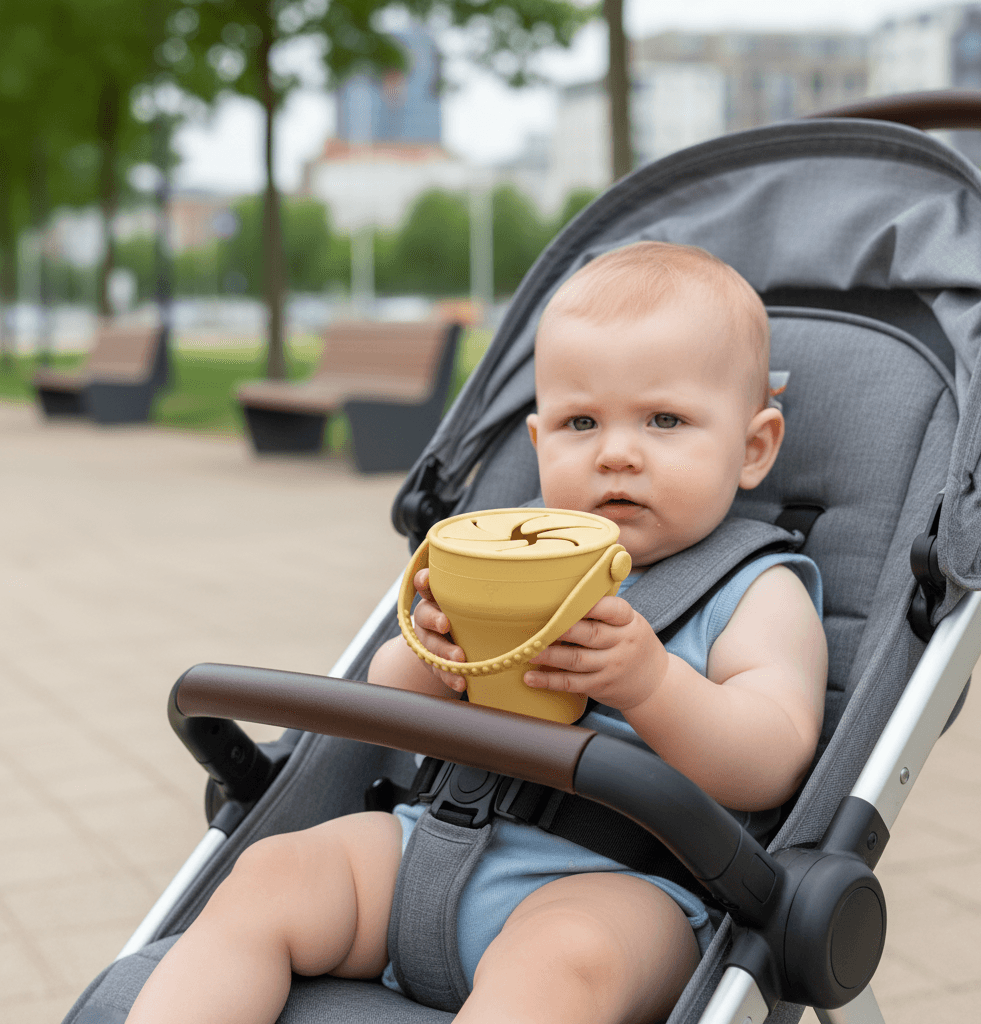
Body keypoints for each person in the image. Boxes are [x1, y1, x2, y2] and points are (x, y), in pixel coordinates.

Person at [125, 242, 828, 1024]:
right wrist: (433, 655)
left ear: (755, 446)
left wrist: (652, 684)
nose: (617, 452)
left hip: (620, 887)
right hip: (431, 844)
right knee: (271, 874)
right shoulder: (506, 557)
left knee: (562, 966)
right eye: (580, 422)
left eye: (665, 420)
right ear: (538, 445)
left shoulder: (756, 591)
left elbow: (772, 758)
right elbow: (386, 714)